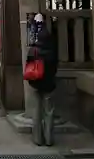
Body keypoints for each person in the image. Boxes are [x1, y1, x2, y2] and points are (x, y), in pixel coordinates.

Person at [26, 13, 58, 147]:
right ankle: (49, 139)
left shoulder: (33, 50)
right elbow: (55, 67)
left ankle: (38, 139)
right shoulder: (52, 51)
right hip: (49, 84)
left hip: (36, 82)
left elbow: (28, 66)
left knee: (37, 111)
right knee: (49, 112)